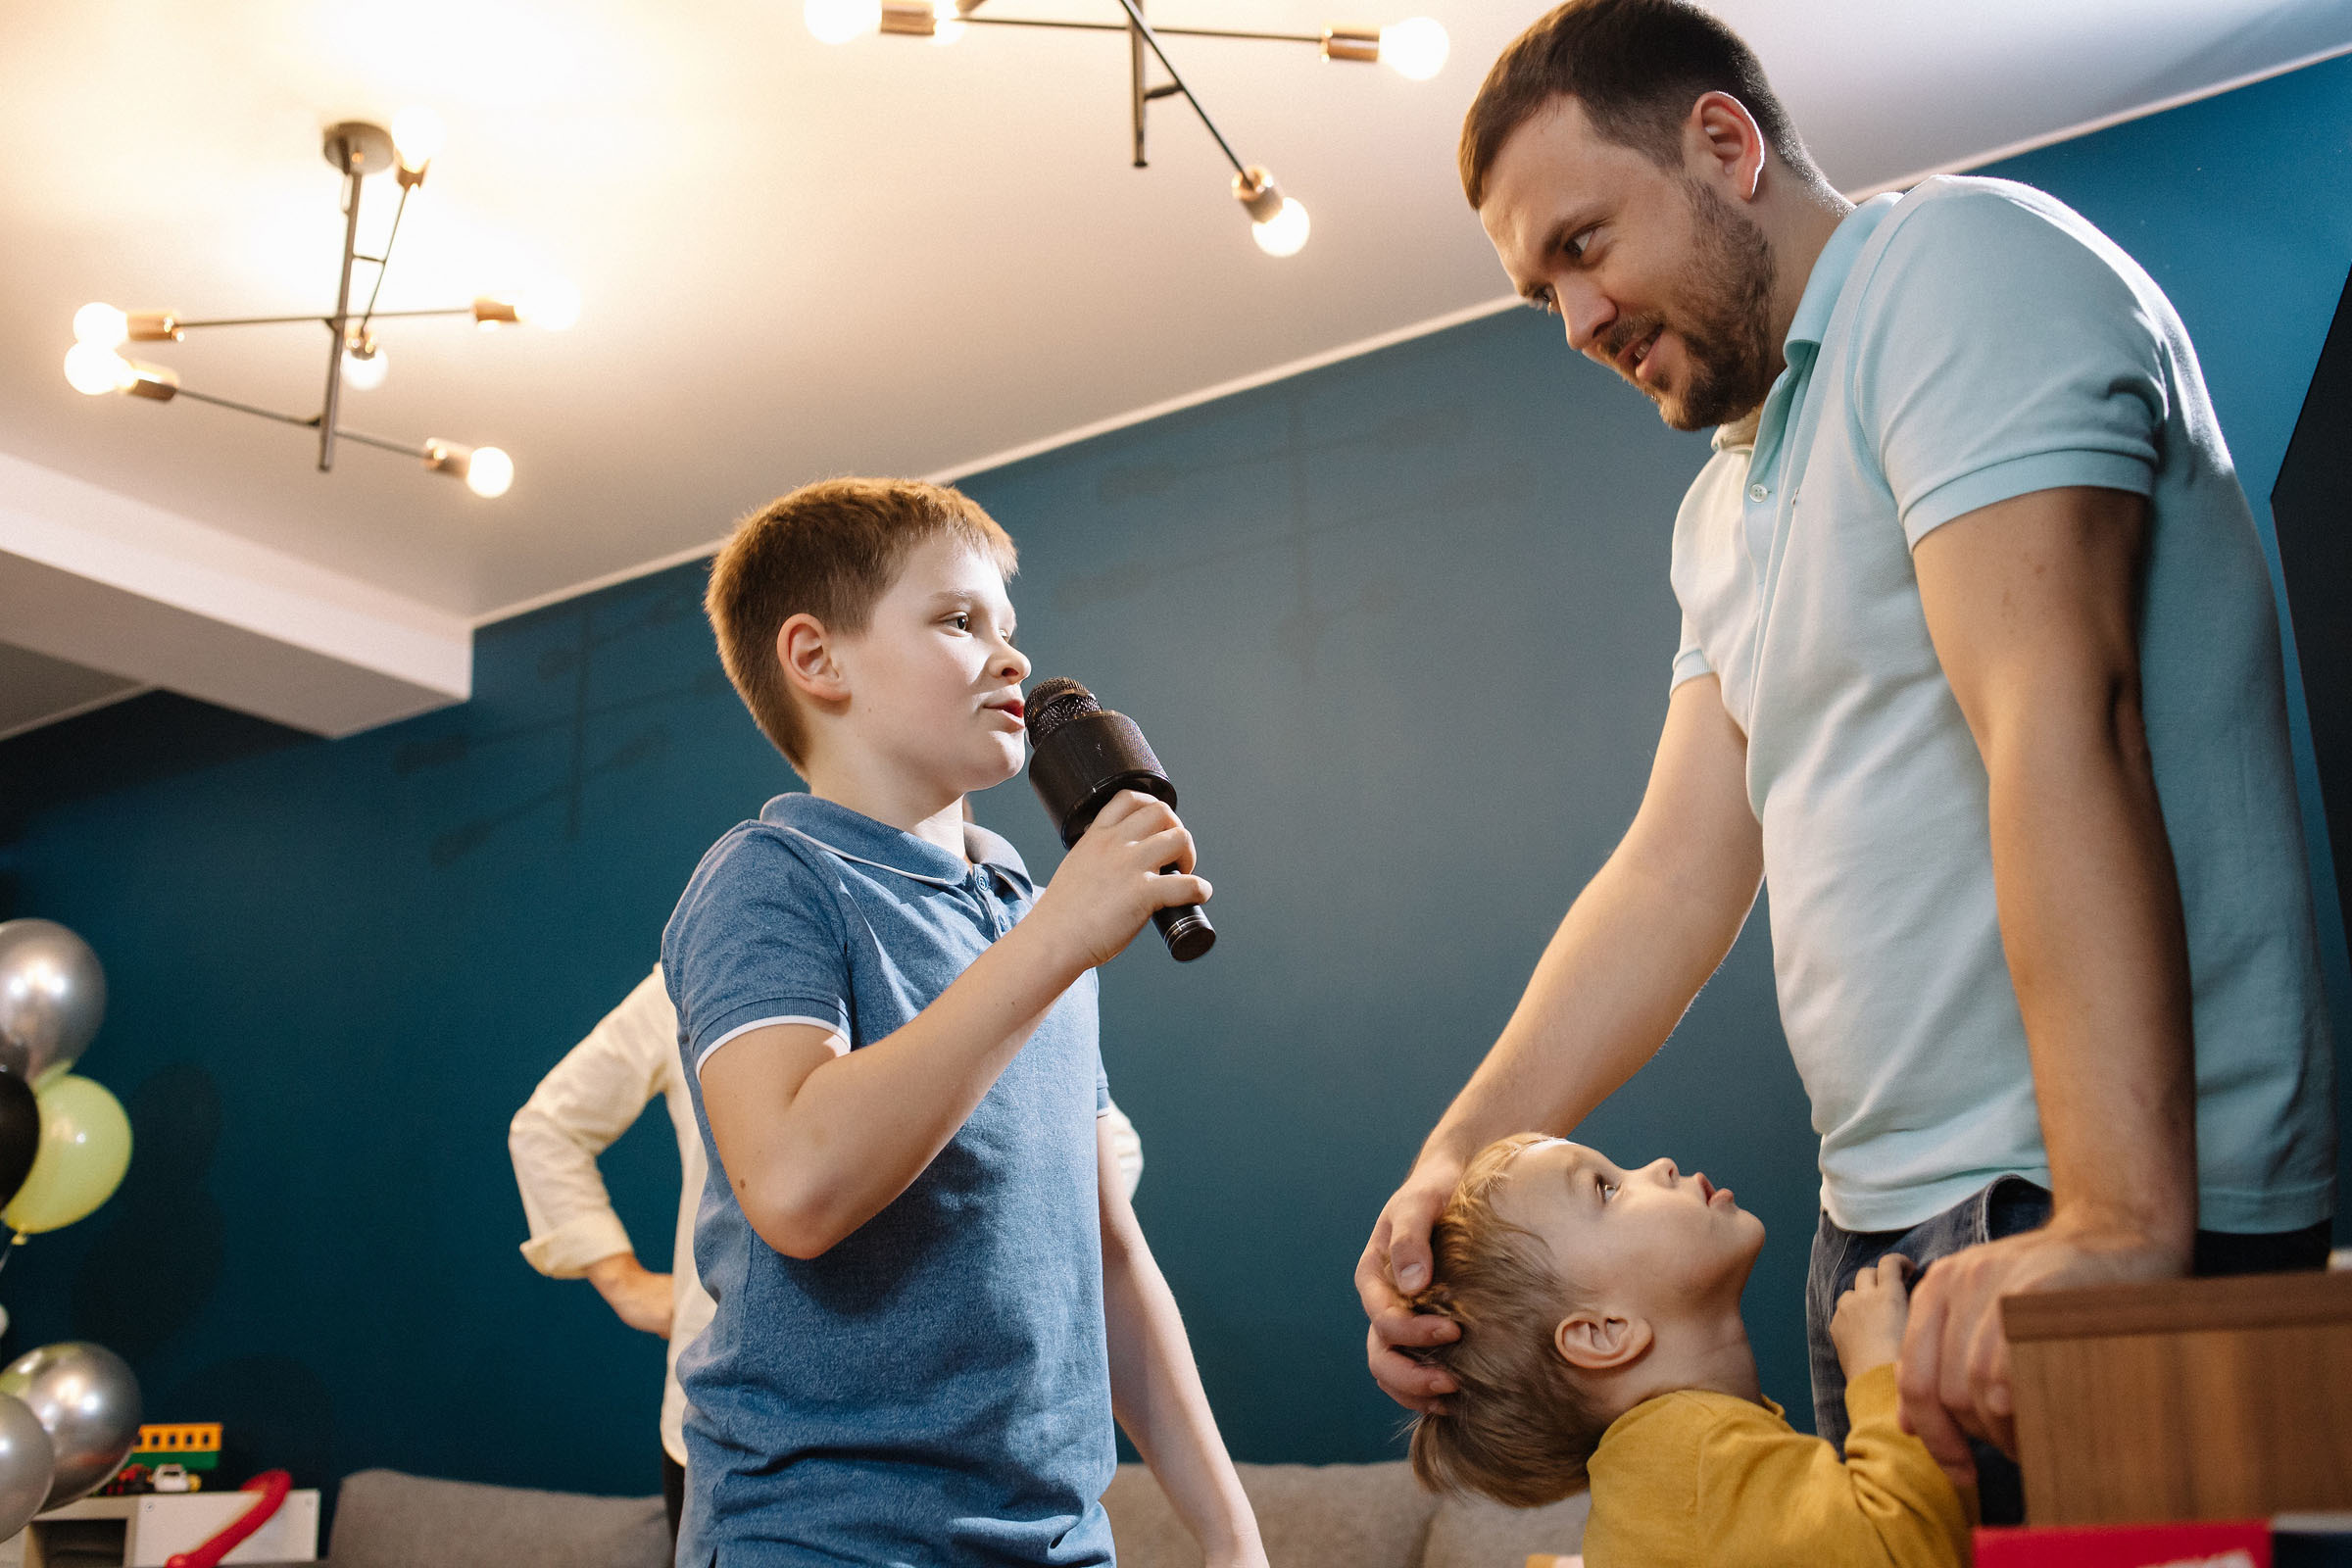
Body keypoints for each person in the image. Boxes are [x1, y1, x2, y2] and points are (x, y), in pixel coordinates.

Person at [1358, 0, 2336, 1525]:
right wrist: (1456, 1156)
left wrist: (2115, 1222)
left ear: (1725, 144)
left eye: (1584, 245)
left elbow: (2060, 712)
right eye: (1541, 289)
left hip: (2080, 1207)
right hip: (1875, 1246)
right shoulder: (1725, 501)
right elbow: (1674, 877)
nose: (1576, 320)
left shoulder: (1956, 271)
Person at [664, 477, 1264, 1566]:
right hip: (827, 1538)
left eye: (1008, 626)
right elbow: (795, 1186)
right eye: (958, 620)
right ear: (817, 659)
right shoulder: (772, 878)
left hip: (1058, 1539)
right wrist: (1056, 941)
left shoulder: (1031, 917)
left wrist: (1233, 1540)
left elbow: (1109, 1256)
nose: (1012, 658)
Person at [507, 965, 1152, 1539]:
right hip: (734, 1432)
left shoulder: (967, 975)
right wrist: (623, 1282)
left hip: (939, 1423)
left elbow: (1109, 1147)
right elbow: (547, 1129)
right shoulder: (705, 971)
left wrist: (996, 1253)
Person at [1406, 1134, 1967, 1567]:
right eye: (1606, 1189)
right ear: (1604, 1332)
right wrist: (1881, 1366)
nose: (1661, 1165)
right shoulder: (1697, 1456)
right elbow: (1910, 1555)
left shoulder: (1670, 1464)